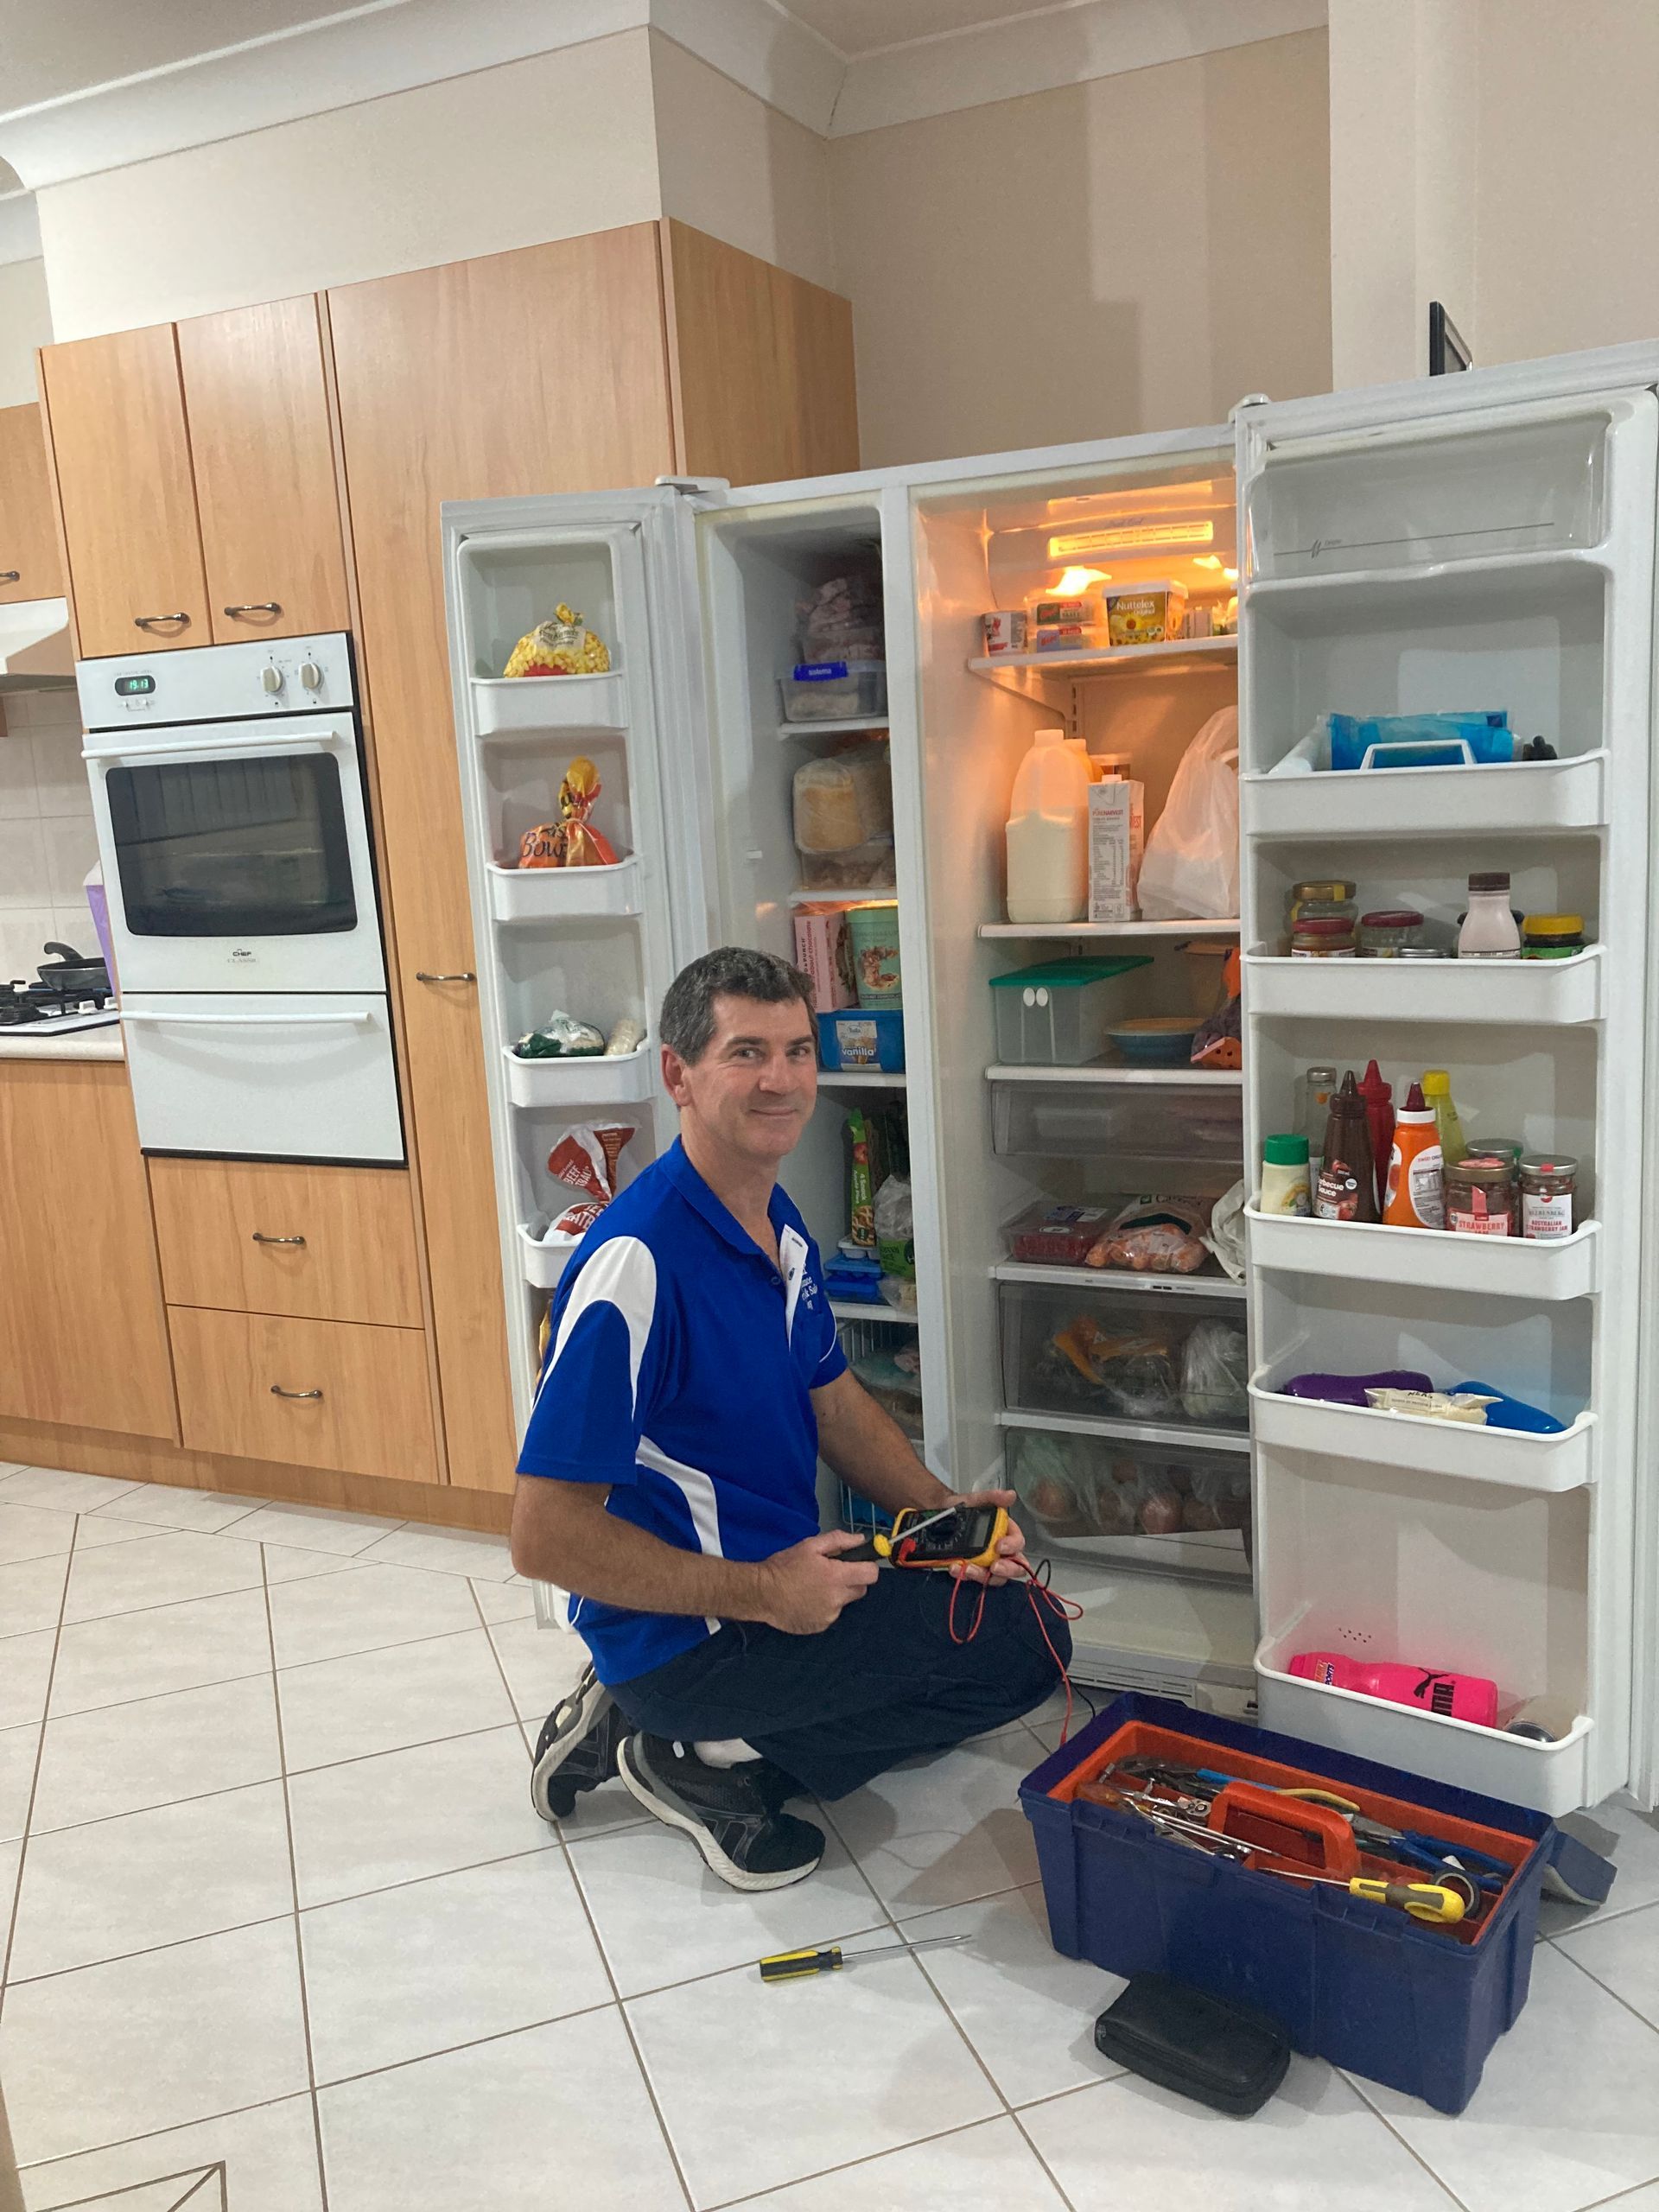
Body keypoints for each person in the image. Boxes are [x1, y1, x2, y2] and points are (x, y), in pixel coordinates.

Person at [511, 945, 1068, 1890]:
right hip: (696, 1624)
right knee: (1010, 1648)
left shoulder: (780, 1222)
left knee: (1030, 1636)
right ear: (677, 1074)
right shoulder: (635, 1267)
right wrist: (764, 1592)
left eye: (799, 1051)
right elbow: (542, 1535)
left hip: (786, 1573)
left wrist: (946, 1526)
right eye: (746, 1053)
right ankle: (688, 1751)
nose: (781, 1079)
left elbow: (834, 1401)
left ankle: (688, 1731)